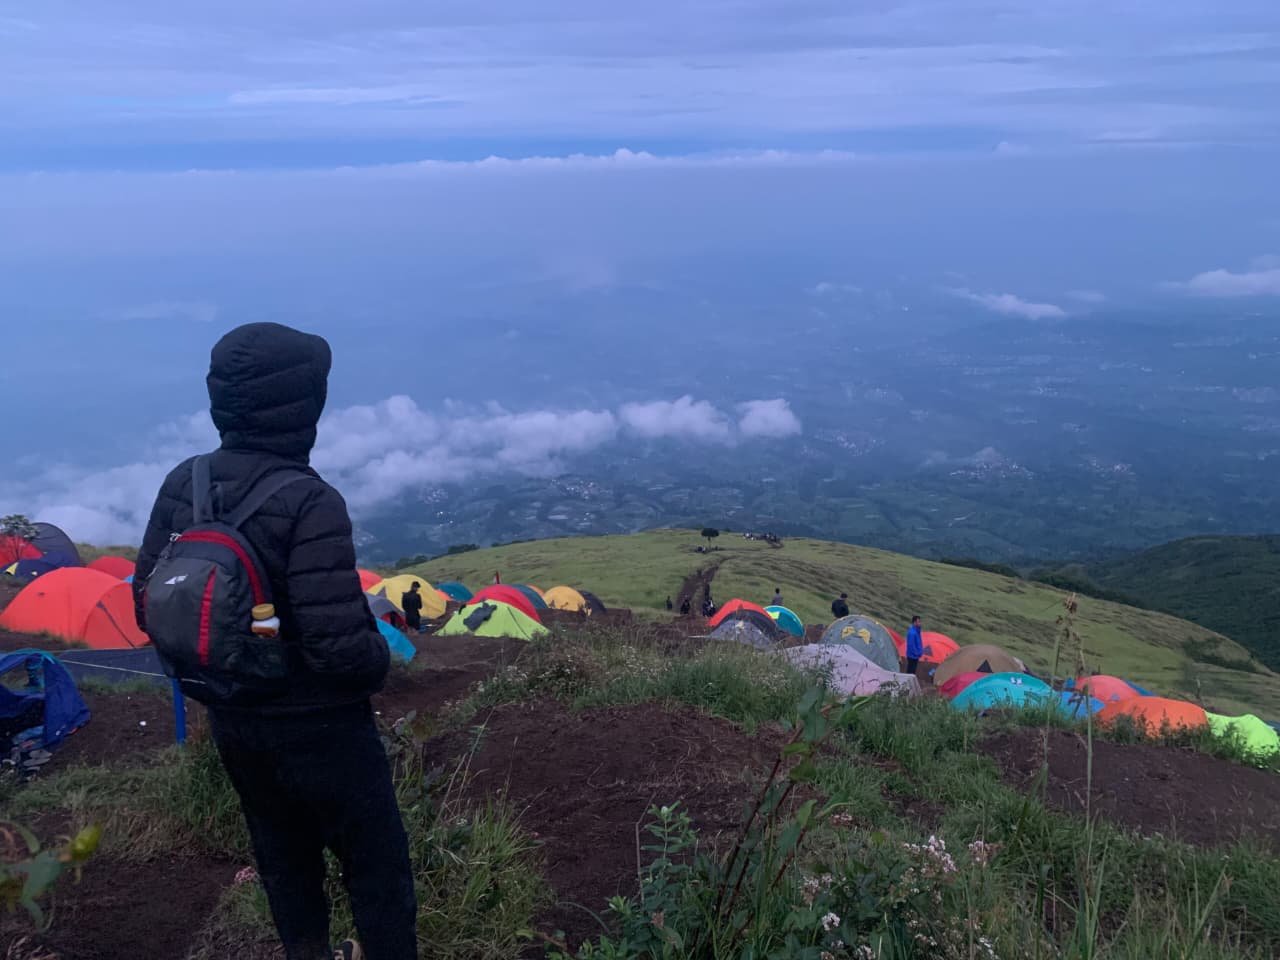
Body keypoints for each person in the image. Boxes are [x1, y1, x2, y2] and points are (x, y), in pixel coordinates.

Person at [134, 323, 416, 960]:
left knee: (282, 856)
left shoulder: (185, 483)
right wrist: (382, 661)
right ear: (304, 403)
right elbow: (339, 651)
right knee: (375, 865)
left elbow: (146, 601)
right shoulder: (309, 500)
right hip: (324, 729)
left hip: (234, 716)